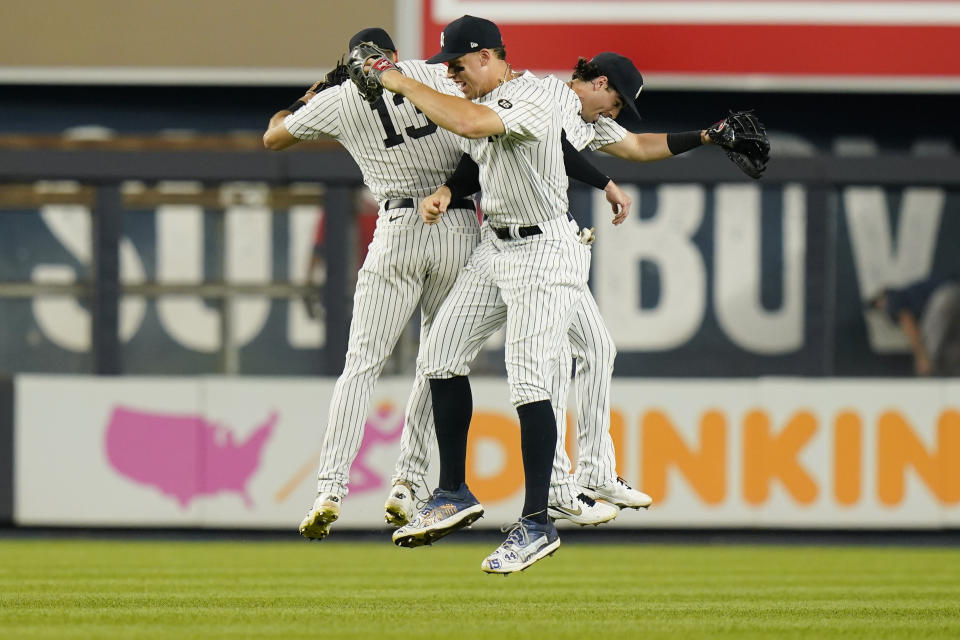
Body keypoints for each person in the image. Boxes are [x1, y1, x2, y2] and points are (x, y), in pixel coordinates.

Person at [353, 14, 631, 573]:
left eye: (456, 66)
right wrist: (446, 190)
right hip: (495, 243)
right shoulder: (488, 96)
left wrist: (398, 80)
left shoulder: (539, 94)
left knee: (529, 376)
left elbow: (477, 124)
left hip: (544, 248)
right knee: (438, 355)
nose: (451, 75)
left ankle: (536, 523)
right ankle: (452, 490)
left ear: (486, 56)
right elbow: (475, 155)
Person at [263, 27, 483, 540]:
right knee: (438, 362)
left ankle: (330, 487)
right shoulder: (430, 74)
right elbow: (479, 112)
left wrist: (318, 87)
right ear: (393, 56)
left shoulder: (339, 98)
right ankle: (408, 480)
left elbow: (273, 135)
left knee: (361, 364)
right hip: (453, 221)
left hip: (398, 230)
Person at [868, 274, 960, 375]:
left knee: (928, 346)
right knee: (951, 346)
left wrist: (921, 357)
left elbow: (908, 322)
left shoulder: (892, 298)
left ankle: (932, 379)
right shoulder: (910, 295)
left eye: (877, 305)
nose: (881, 309)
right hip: (954, 292)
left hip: (943, 298)